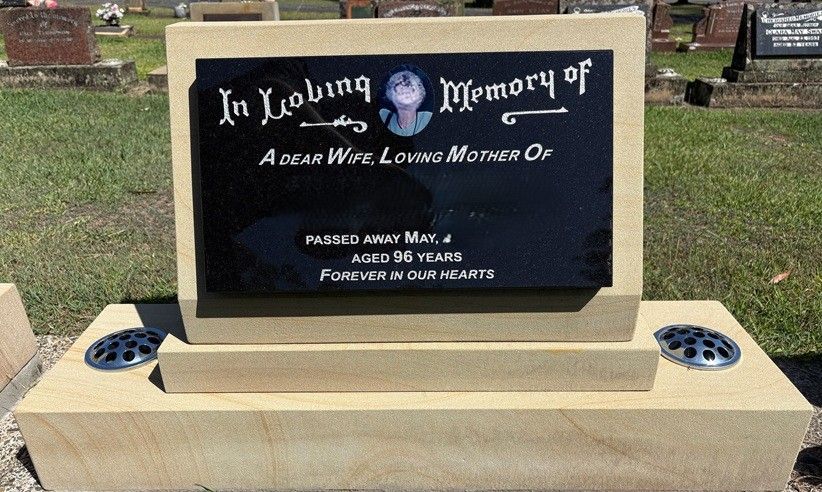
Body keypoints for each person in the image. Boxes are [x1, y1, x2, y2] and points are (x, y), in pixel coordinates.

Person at [379, 70, 432, 137]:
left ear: (419, 96)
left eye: (411, 91)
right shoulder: (383, 115)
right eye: (400, 93)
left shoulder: (427, 118)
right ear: (392, 97)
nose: (405, 96)